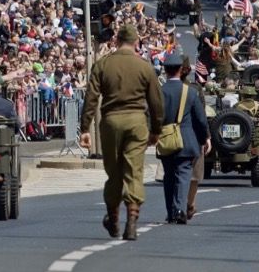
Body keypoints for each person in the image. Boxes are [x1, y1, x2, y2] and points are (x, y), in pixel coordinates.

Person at [79, 23, 163, 242]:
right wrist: (156, 130)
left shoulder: (103, 64)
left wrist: (85, 128)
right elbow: (156, 102)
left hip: (111, 121)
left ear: (116, 42)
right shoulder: (145, 67)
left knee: (114, 172)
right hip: (137, 121)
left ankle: (114, 219)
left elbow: (91, 98)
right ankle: (132, 222)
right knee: (134, 171)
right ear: (136, 43)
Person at [157, 49, 210, 225]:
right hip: (187, 141)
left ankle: (170, 211)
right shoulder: (191, 92)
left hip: (166, 139)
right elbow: (200, 119)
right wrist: (205, 138)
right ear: (180, 69)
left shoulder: (159, 92)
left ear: (165, 70)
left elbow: (153, 116)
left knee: (169, 176)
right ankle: (180, 208)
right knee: (183, 175)